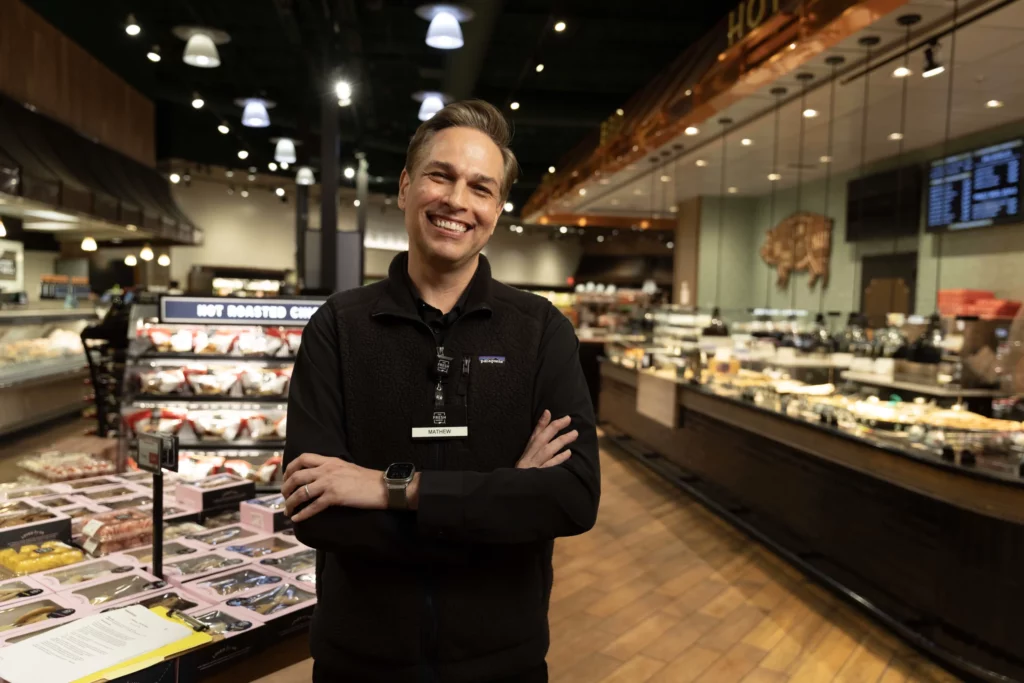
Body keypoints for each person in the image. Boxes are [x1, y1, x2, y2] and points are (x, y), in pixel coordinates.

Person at [282, 99, 601, 683]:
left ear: (498, 209)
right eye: (440, 176)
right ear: (405, 187)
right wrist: (503, 503)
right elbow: (314, 512)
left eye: (481, 187)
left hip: (503, 662)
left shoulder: (541, 331)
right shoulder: (338, 327)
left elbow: (574, 499)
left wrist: (387, 490)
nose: (457, 201)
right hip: (360, 662)